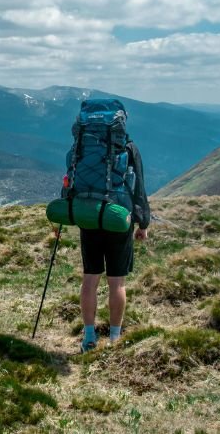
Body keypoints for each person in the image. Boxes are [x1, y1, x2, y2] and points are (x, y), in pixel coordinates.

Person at [72, 138, 150, 352]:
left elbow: (71, 175)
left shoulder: (83, 143)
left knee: (90, 279)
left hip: (89, 216)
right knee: (117, 282)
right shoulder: (128, 146)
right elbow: (139, 186)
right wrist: (143, 222)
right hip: (118, 217)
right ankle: (115, 338)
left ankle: (89, 337)